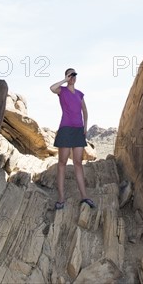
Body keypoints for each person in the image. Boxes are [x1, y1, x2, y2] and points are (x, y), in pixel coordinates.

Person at [50, 68, 95, 210]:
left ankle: (84, 196)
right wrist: (65, 80)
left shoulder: (80, 94)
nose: (73, 77)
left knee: (78, 163)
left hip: (78, 130)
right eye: (71, 74)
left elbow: (85, 111)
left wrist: (85, 126)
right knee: (62, 163)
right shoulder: (61, 91)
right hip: (65, 129)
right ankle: (61, 198)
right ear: (67, 76)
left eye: (75, 74)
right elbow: (51, 88)